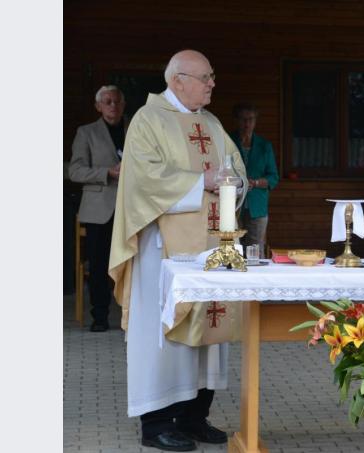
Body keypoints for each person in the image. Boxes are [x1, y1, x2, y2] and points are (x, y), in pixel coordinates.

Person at [109, 49, 247, 452]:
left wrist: (234, 182)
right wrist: (201, 180)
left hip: (211, 245)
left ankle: (193, 416)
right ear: (178, 80)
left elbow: (235, 168)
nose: (212, 84)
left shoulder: (213, 123)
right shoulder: (148, 121)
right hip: (163, 249)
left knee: (210, 330)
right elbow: (143, 181)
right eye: (206, 77)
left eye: (212, 76)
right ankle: (156, 424)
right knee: (163, 331)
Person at [69, 85, 128, 332]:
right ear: (98, 106)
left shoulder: (135, 130)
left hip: (130, 208)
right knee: (99, 262)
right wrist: (107, 172)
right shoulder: (87, 132)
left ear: (123, 104)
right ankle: (100, 316)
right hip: (98, 208)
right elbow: (75, 171)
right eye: (107, 101)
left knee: (132, 263)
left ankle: (131, 314)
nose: (112, 105)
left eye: (116, 101)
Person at [229, 103, 279, 254]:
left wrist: (255, 183)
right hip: (232, 204)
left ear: (255, 121)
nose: (247, 123)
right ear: (237, 120)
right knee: (232, 247)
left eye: (251, 119)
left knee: (255, 250)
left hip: (257, 205)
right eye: (243, 119)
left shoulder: (264, 146)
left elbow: (273, 177)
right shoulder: (228, 141)